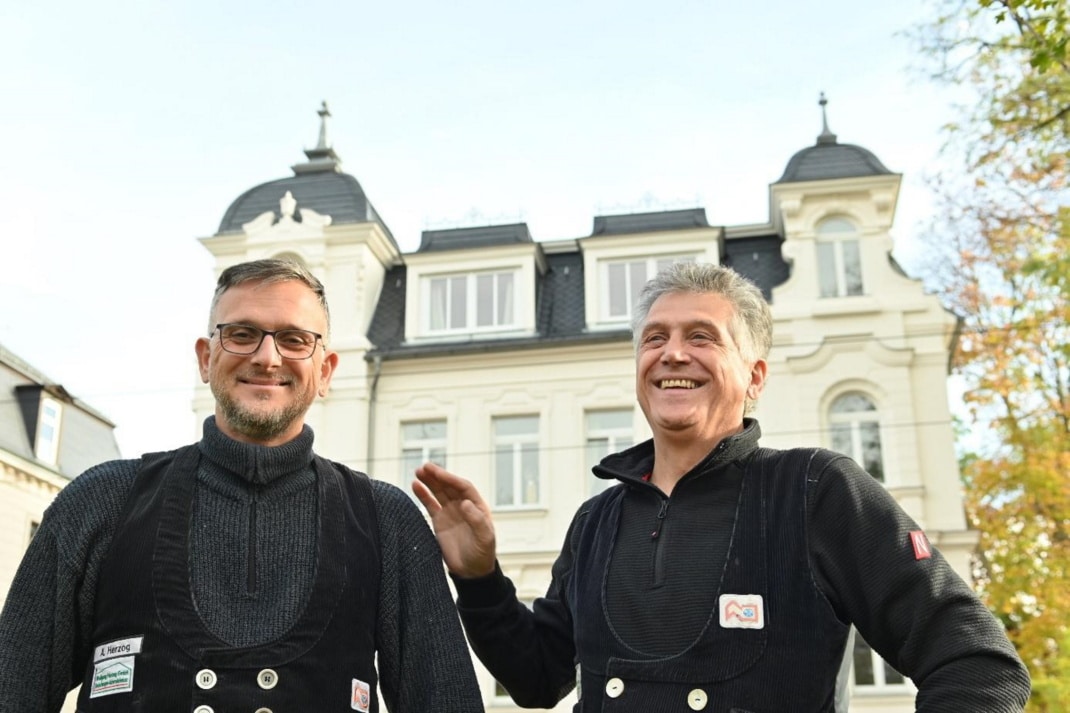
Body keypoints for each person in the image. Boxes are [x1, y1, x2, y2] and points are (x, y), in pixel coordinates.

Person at [414, 262, 1031, 712]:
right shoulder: (596, 521)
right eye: (655, 338)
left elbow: (978, 664)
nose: (672, 354)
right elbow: (537, 679)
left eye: (701, 337)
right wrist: (480, 579)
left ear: (754, 377)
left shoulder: (816, 491)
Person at [0, 258, 483, 713]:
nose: (267, 357)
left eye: (294, 339)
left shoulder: (387, 522)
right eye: (242, 334)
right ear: (205, 358)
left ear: (325, 372)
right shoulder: (100, 502)